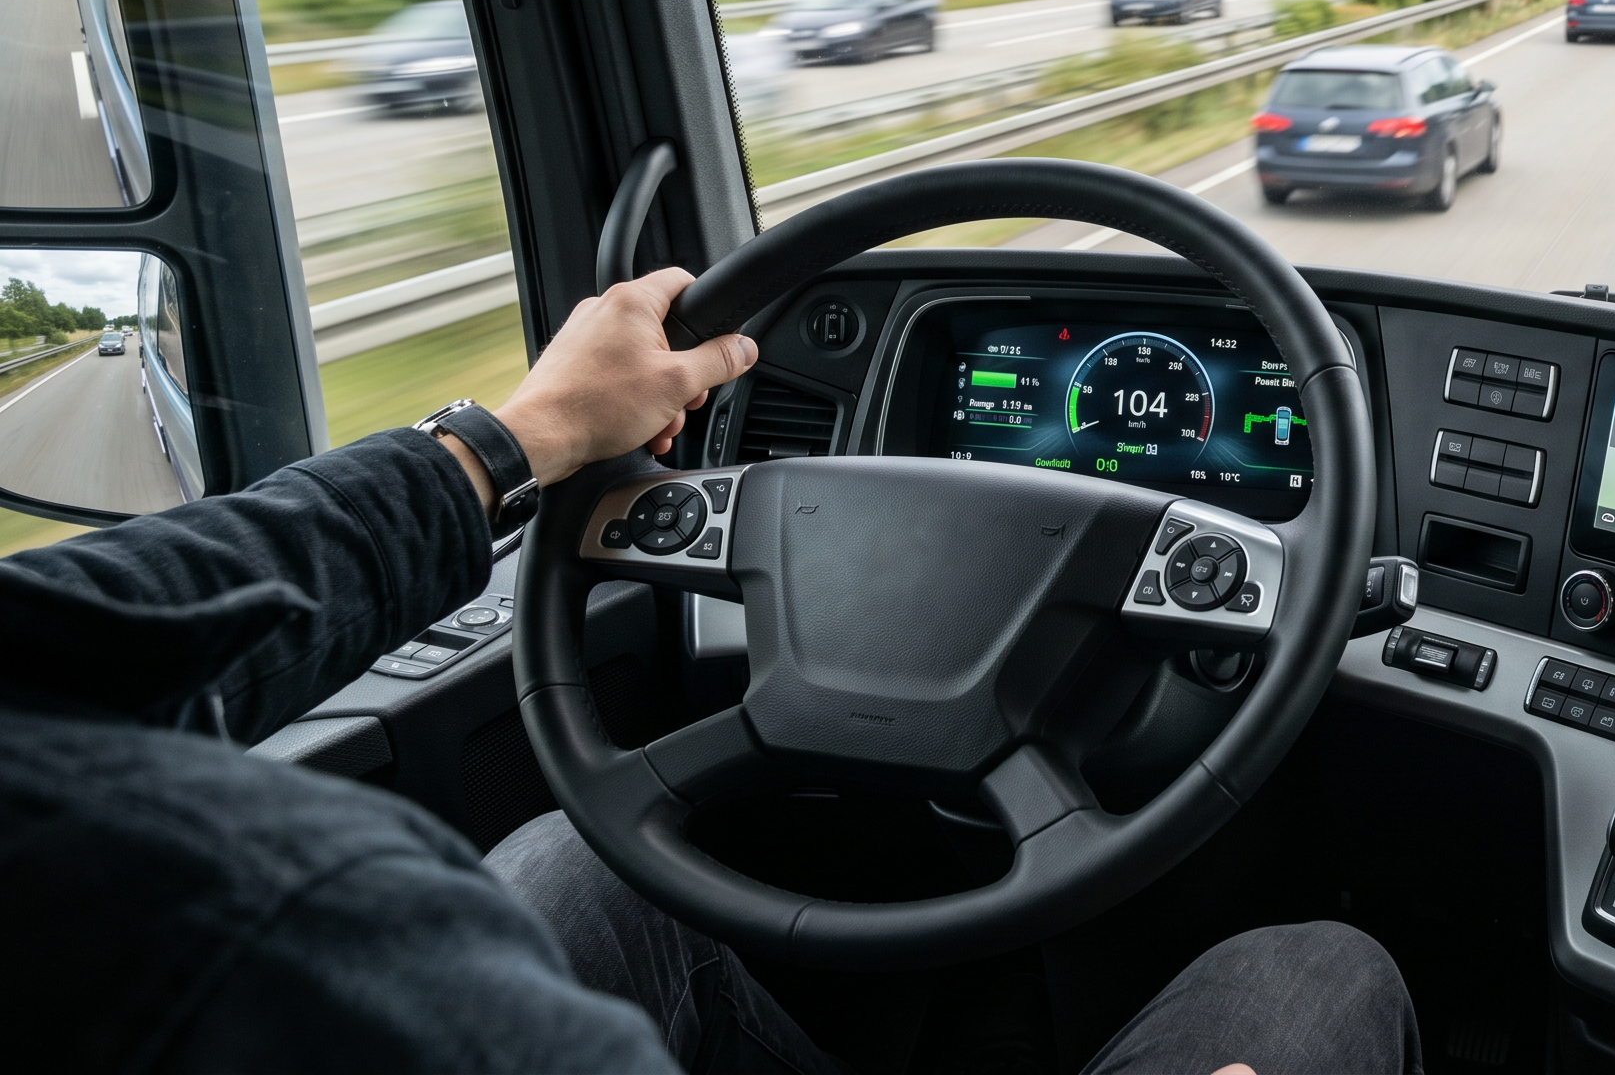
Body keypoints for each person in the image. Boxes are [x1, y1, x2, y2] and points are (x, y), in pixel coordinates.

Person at [0, 268, 1421, 1073]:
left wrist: (517, 440)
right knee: (1317, 971)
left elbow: (85, 627)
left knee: (586, 853)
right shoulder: (260, 942)